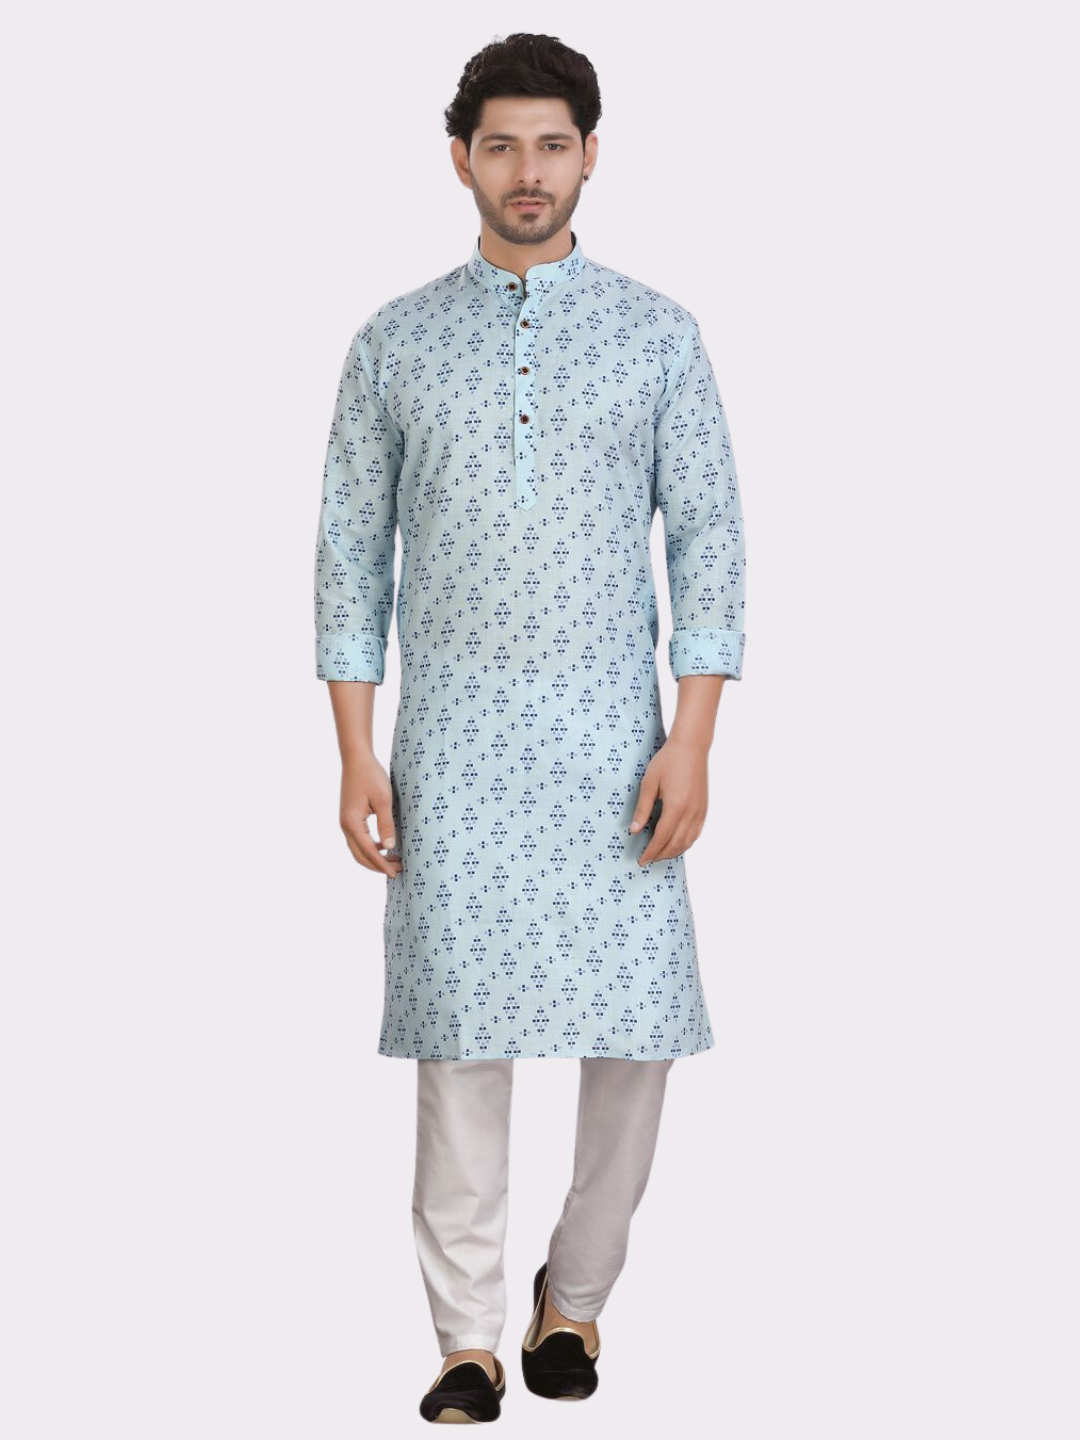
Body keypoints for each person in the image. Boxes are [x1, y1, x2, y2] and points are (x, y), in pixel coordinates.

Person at [313, 32, 747, 1424]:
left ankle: (577, 1303)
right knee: (460, 1048)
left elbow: (712, 546)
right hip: (451, 751)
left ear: (591, 156)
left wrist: (693, 738)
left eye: (552, 144)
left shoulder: (659, 334)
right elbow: (349, 563)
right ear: (460, 160)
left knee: (636, 1040)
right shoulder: (394, 342)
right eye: (501, 144)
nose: (528, 170)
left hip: (620, 747)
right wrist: (355, 748)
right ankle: (466, 1341)